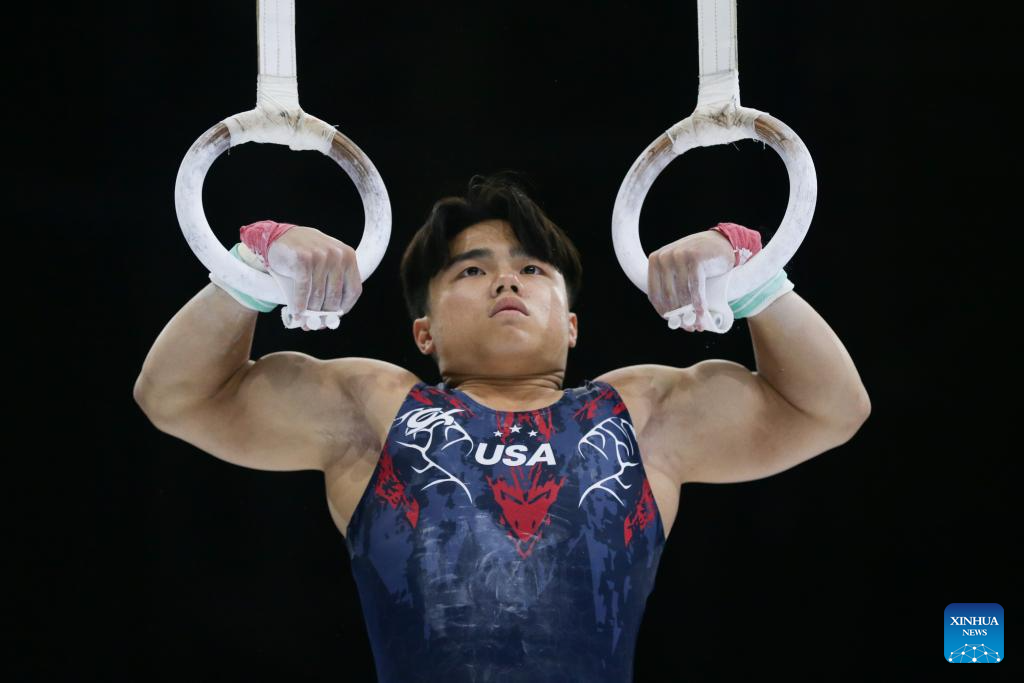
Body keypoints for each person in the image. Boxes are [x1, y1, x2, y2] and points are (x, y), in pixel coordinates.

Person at [133, 172, 870, 682]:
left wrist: (750, 275)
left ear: (572, 325)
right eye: (471, 270)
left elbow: (831, 409)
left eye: (533, 269)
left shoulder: (636, 415)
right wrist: (253, 269)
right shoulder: (378, 410)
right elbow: (176, 397)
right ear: (424, 331)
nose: (508, 280)